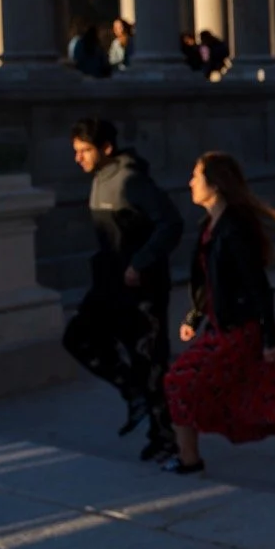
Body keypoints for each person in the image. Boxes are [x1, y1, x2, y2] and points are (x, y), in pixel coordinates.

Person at [162, 152, 275, 493]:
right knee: (274, 397)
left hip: (241, 330)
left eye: (196, 175)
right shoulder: (210, 228)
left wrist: (268, 340)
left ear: (215, 184)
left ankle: (190, 460)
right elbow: (209, 282)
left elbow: (257, 286)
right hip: (223, 325)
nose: (190, 182)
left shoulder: (234, 229)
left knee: (180, 381)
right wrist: (195, 315)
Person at [65, 118, 184, 462]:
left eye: (85, 151)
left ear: (106, 148)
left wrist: (141, 262)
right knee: (78, 337)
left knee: (150, 361)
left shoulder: (131, 180)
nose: (79, 158)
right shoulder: (101, 179)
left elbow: (171, 223)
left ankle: (165, 439)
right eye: (76, 152)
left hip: (142, 289)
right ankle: (133, 394)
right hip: (109, 285)